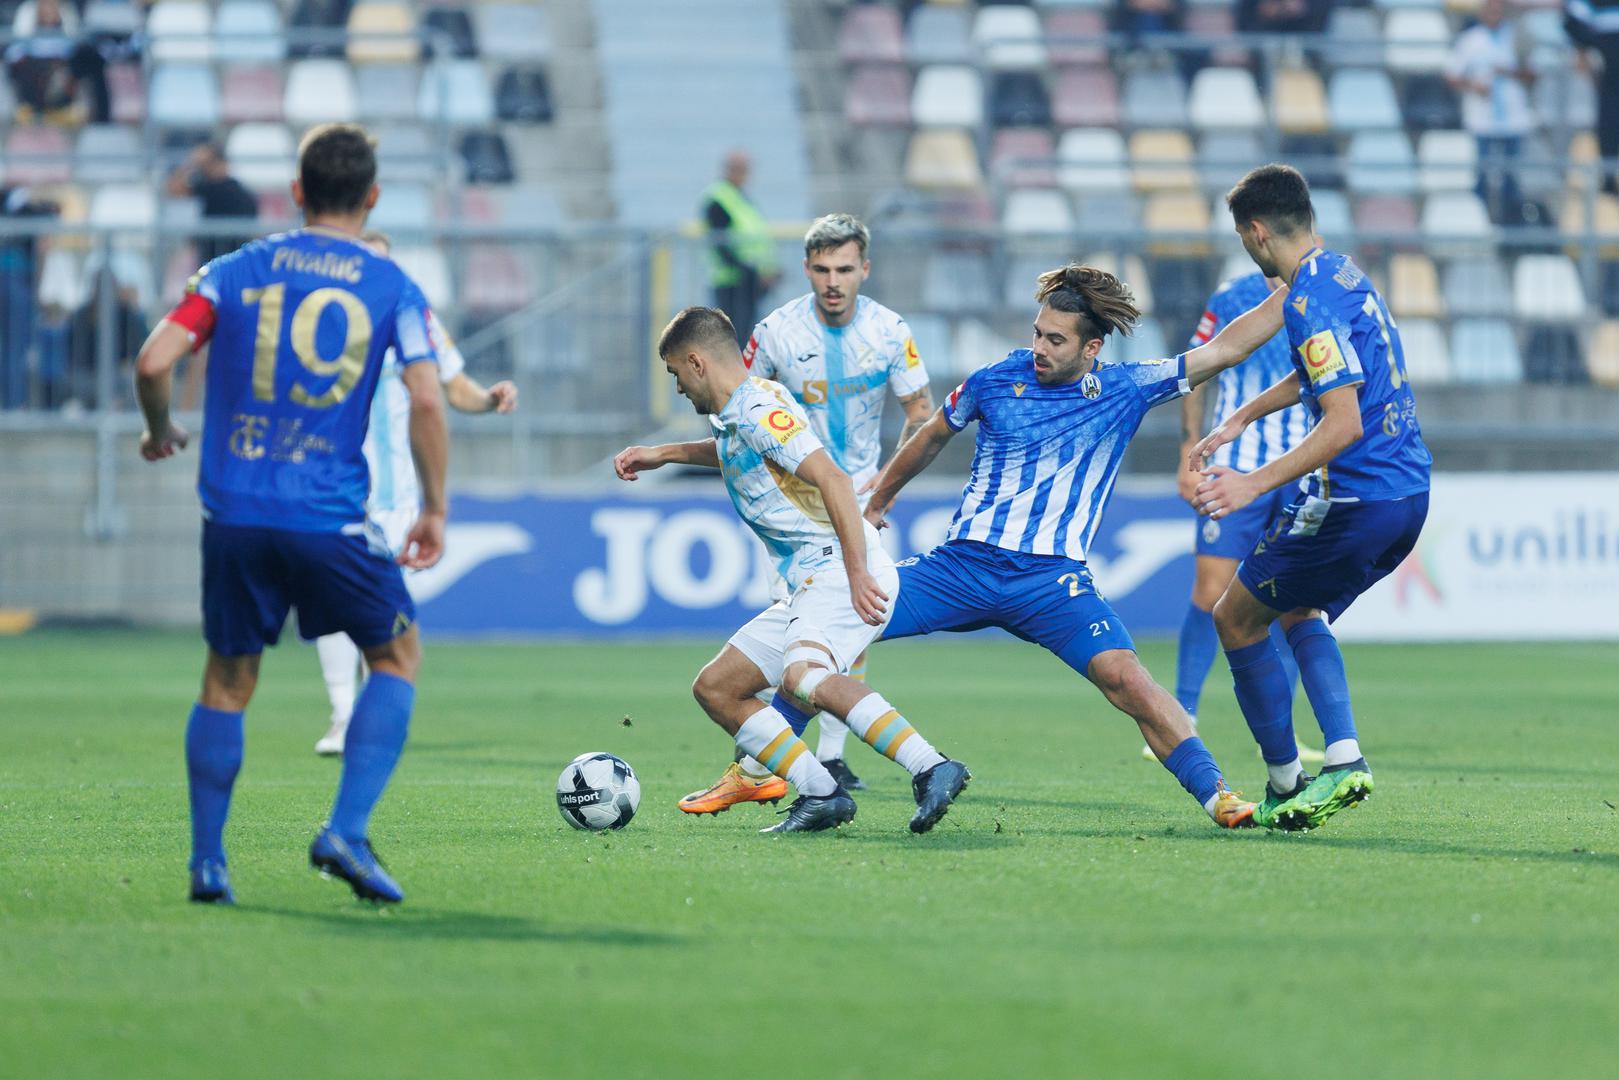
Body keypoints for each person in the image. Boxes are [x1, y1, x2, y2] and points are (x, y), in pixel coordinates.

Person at [133, 123, 451, 905]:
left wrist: (158, 428)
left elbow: (152, 360)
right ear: (371, 197)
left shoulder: (232, 270)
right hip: (329, 516)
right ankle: (344, 829)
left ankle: (209, 865)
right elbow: (426, 397)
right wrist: (434, 507)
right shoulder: (391, 285)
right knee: (396, 657)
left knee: (228, 680)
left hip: (235, 510)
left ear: (297, 192)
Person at [863, 265, 1286, 830]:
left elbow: (1225, 349)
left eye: (1054, 339)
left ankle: (1218, 795)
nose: (1038, 347)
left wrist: (1299, 284)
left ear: (1091, 347)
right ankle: (773, 766)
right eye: (1037, 333)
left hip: (1052, 583)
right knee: (840, 622)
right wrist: (878, 501)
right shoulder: (994, 380)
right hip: (963, 565)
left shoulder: (1126, 387)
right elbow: (934, 433)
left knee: (1128, 679)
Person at [613, 307, 970, 834]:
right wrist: (664, 454)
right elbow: (735, 452)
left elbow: (832, 479)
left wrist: (855, 573)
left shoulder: (758, 408)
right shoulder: (742, 411)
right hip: (808, 581)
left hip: (834, 568)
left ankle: (931, 766)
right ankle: (821, 792)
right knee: (717, 687)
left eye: (675, 374)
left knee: (806, 679)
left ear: (695, 362)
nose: (679, 388)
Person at [1191, 164, 1431, 832]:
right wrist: (1246, 414)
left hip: (1354, 499)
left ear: (1257, 232)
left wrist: (1249, 480)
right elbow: (1326, 371)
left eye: (1242, 235)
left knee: (1232, 618)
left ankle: (1287, 779)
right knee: (1300, 609)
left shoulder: (1304, 301)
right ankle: (1342, 754)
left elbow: (1342, 422)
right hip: (1407, 494)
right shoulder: (1342, 274)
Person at [678, 212, 934, 811]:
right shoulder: (775, 334)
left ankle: (822, 763)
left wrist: (884, 488)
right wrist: (667, 454)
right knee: (806, 641)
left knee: (824, 641)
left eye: (844, 269)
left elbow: (921, 416)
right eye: (821, 270)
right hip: (795, 504)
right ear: (806, 270)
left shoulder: (891, 331)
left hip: (861, 494)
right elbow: (741, 412)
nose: (833, 281)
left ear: (864, 269)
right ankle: (796, 765)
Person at [313, 229, 518, 757]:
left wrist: (488, 398)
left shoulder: (415, 319)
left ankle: (362, 717)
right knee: (336, 603)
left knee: (373, 607)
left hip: (399, 495)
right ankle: (343, 715)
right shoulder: (327, 320)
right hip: (337, 484)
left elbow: (454, 386)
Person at [1151, 270, 1323, 766]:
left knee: (1297, 602)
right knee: (1210, 591)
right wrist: (1189, 445)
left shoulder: (1322, 291)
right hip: (1236, 466)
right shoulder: (1231, 297)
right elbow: (1194, 371)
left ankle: (1283, 729)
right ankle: (1181, 714)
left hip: (1301, 465)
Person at [1445, 0, 1534, 224]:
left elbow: (1533, 73)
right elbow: (1452, 75)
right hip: (1482, 120)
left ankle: (1509, 228)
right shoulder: (1470, 40)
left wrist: (1511, 72)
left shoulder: (1517, 37)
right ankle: (1479, 225)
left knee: (1512, 180)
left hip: (1514, 119)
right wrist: (1474, 86)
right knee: (1481, 177)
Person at [702, 151, 779, 345]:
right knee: (733, 343)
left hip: (749, 283)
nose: (743, 174)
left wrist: (768, 271)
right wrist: (752, 272)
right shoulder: (719, 199)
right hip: (732, 282)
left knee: (746, 342)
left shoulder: (742, 197)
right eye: (739, 169)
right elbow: (721, 246)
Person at [166, 142, 261, 266]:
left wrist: (191, 164)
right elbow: (172, 189)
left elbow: (174, 188)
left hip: (226, 262)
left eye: (208, 163)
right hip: (222, 262)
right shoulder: (210, 187)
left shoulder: (233, 191)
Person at [1564, 0, 1619, 195]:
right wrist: (1594, 48)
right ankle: (1609, 178)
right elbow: (1573, 22)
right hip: (1609, 72)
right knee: (1610, 122)